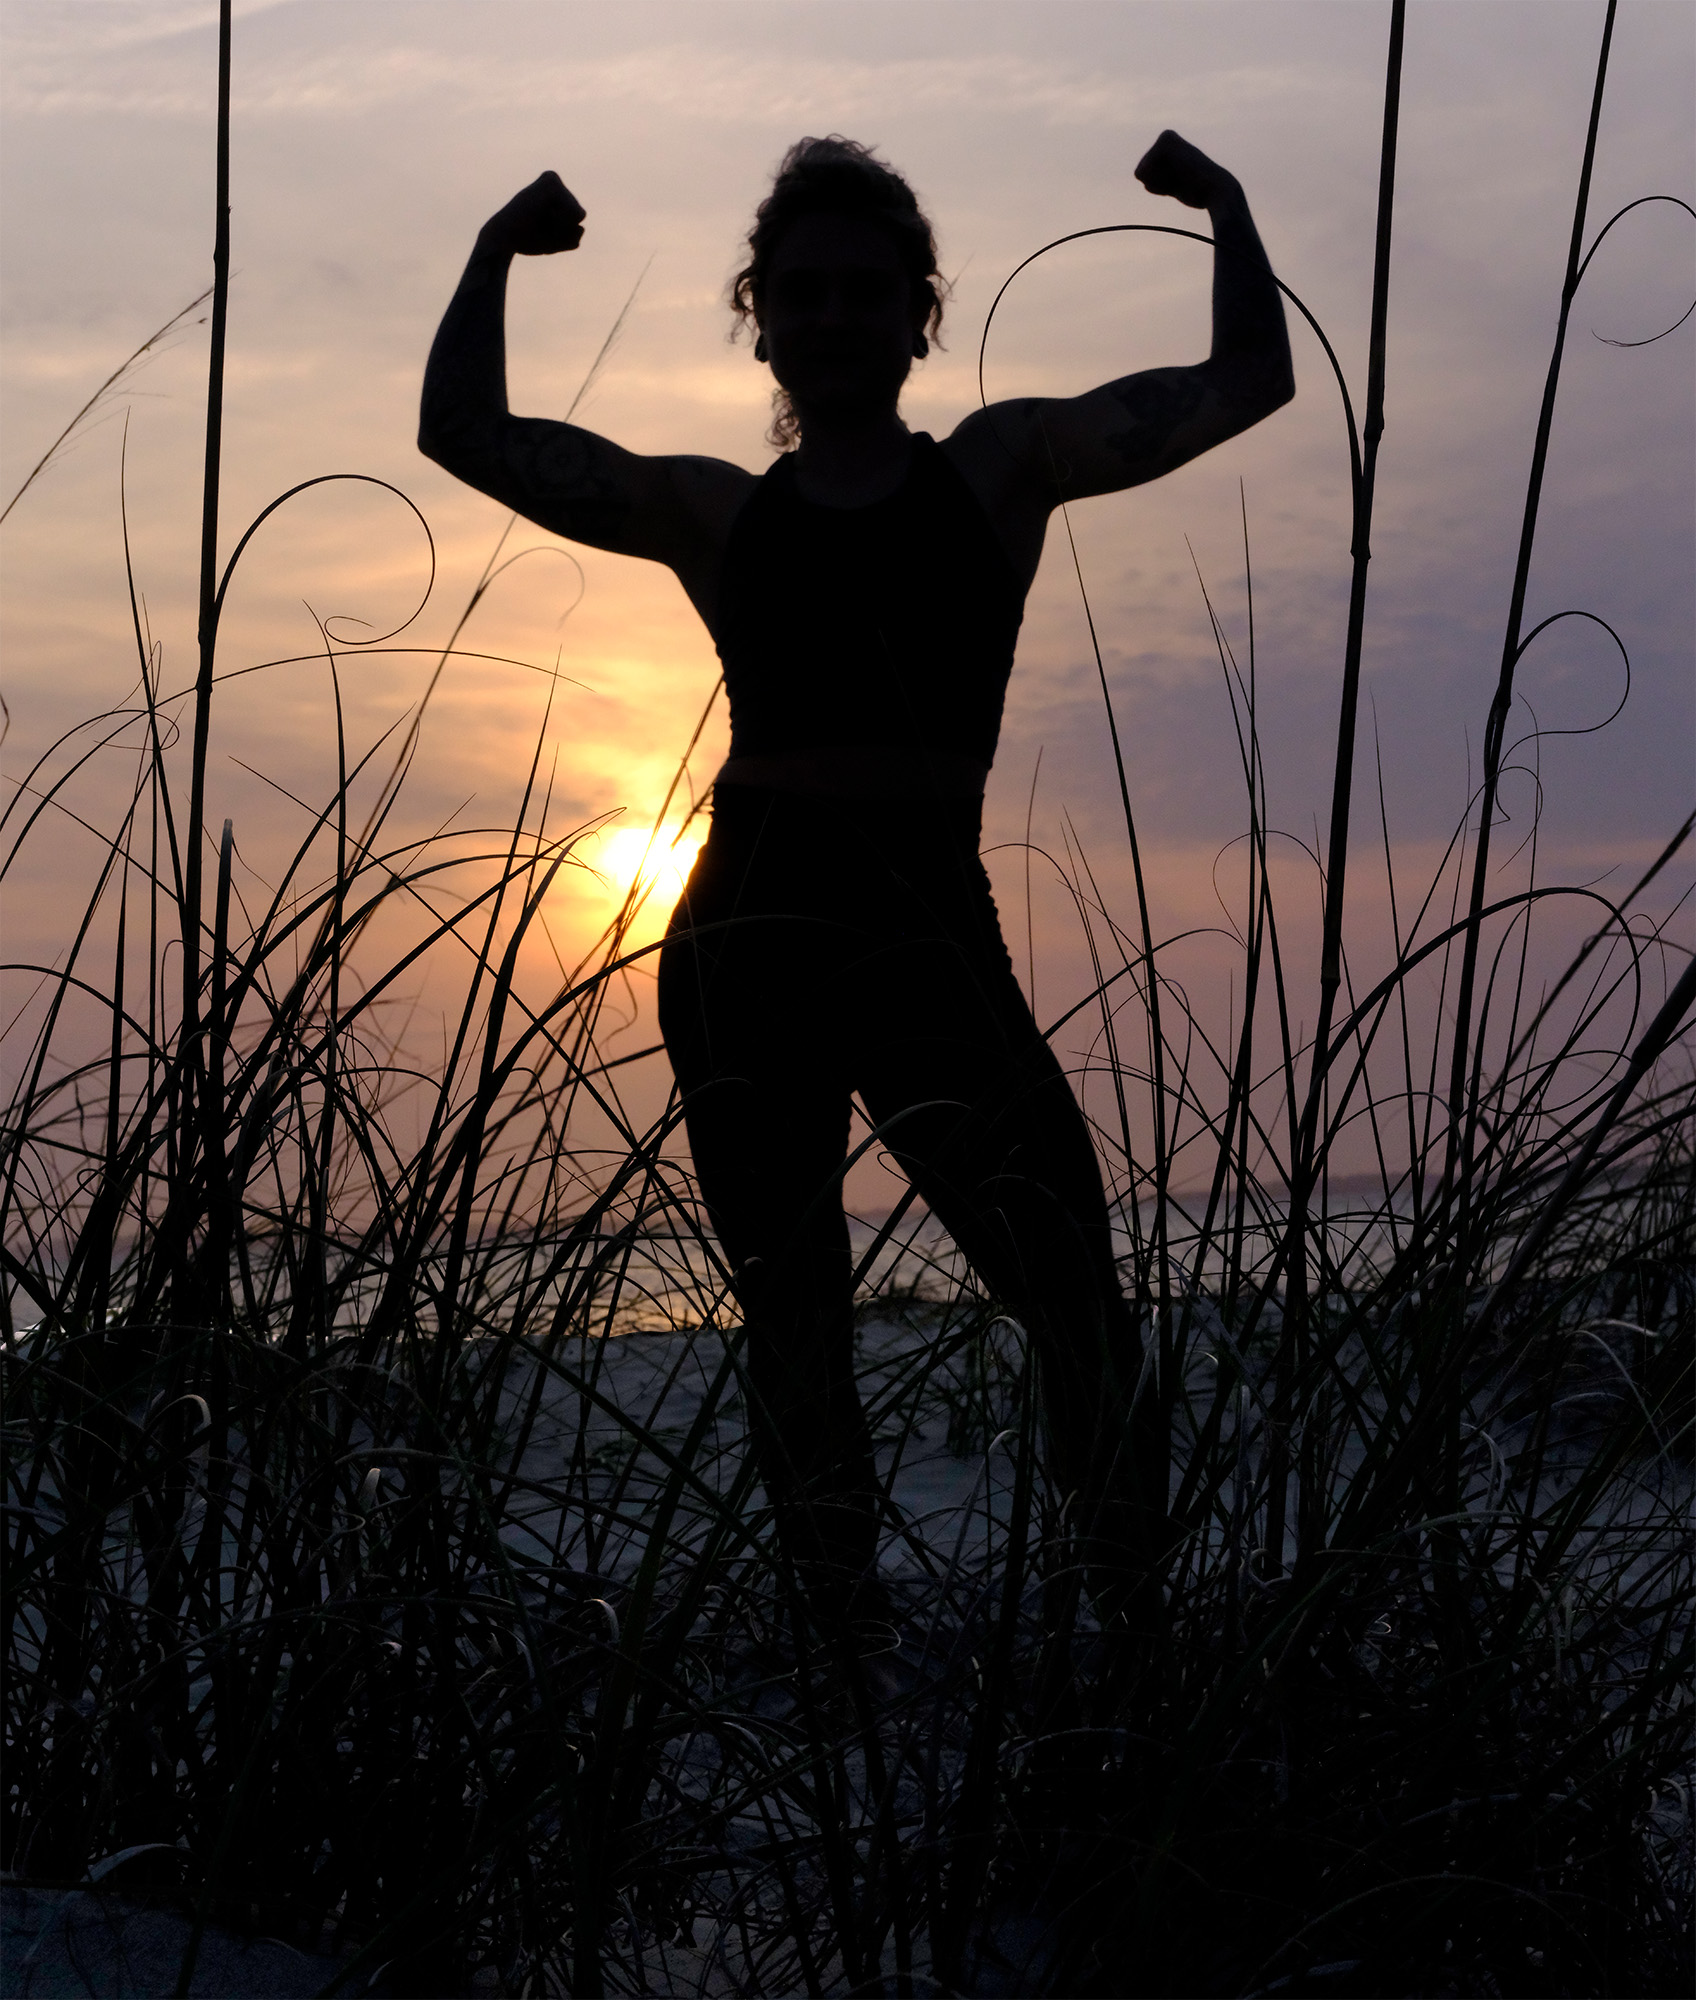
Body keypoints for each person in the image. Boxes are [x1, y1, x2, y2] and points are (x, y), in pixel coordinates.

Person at [419, 131, 1292, 1640]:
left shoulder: (1006, 469)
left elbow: (1240, 389)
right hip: (749, 922)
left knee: (1072, 1287)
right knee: (794, 1313)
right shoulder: (717, 511)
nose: (830, 315)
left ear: (918, 313)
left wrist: (1229, 209)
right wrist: (495, 246)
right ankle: (836, 1628)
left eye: (862, 291)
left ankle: (1134, 1620)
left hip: (925, 914)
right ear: (760, 311)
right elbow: (469, 436)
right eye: (801, 291)